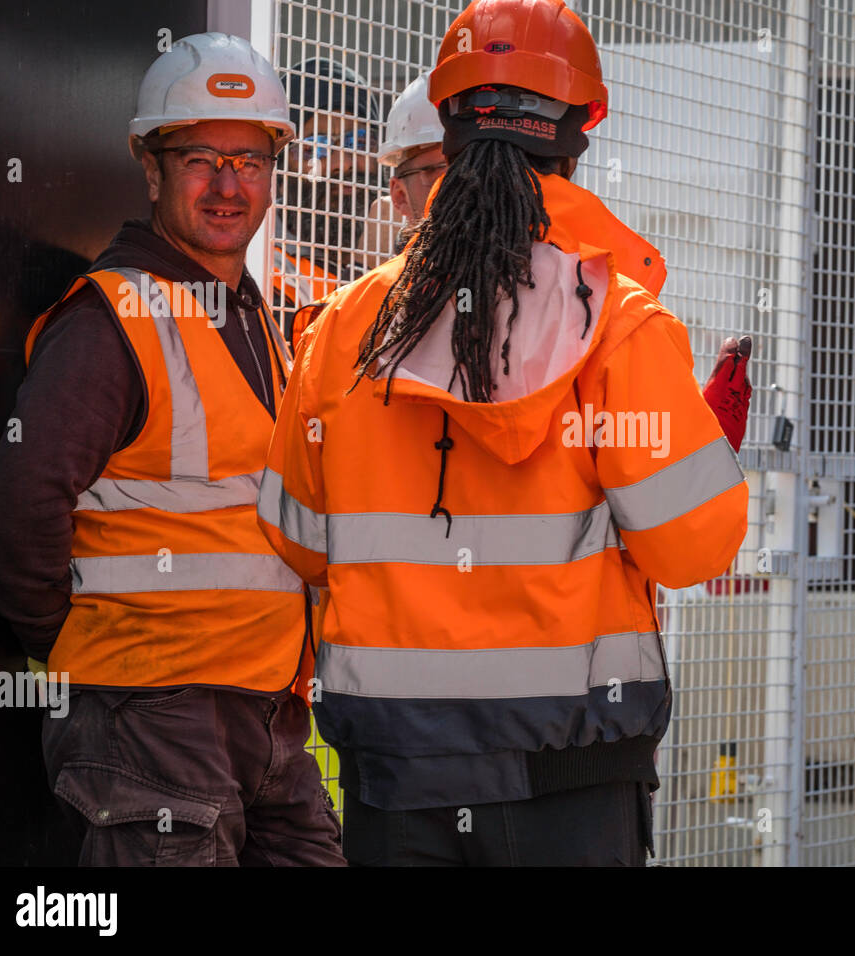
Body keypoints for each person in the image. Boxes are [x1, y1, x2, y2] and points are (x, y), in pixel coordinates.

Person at [257, 0, 750, 866]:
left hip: (397, 785)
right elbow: (693, 548)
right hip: (573, 781)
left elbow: (295, 538)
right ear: (578, 131)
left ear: (445, 125)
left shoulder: (347, 329)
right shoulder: (620, 324)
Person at [0, 32, 345, 867]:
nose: (228, 186)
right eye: (201, 159)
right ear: (151, 168)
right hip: (149, 723)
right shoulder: (111, 322)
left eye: (250, 161)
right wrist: (92, 649)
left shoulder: (257, 320)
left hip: (268, 718)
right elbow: (16, 514)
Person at [273, 58, 380, 346]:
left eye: (358, 141)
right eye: (316, 146)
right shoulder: (264, 264)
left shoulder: (400, 252)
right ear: (281, 163)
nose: (342, 164)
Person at [361, 71, 447, 271]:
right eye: (441, 171)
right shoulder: (377, 296)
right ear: (400, 196)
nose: (467, 182)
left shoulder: (532, 275)